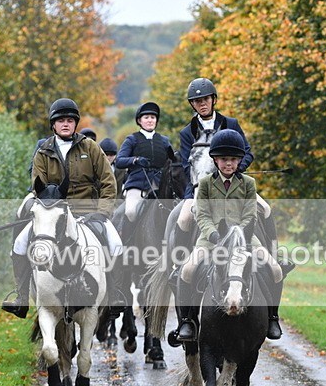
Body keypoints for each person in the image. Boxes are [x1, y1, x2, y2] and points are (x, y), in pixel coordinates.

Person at [1, 97, 123, 318]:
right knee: (20, 244)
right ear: (53, 125)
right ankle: (21, 297)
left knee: (115, 244)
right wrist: (49, 211)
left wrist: (103, 212)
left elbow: (108, 182)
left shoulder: (91, 147)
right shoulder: (43, 151)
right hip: (53, 212)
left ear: (75, 123)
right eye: (61, 121)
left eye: (69, 120)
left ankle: (115, 294)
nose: (65, 124)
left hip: (89, 211)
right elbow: (38, 185)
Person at [175, 129, 287, 342]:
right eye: (224, 159)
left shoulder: (248, 183)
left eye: (234, 160)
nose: (229, 164)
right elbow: (203, 215)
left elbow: (250, 213)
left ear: (239, 161)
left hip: (246, 239)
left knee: (275, 268)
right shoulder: (206, 183)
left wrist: (241, 235)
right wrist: (215, 235)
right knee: (187, 270)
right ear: (215, 160)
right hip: (211, 239)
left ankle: (273, 317)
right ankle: (187, 322)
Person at [177, 77, 281, 257]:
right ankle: (177, 264)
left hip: (235, 182)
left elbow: (247, 152)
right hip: (199, 186)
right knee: (184, 218)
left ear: (213, 100)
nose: (202, 104)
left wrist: (236, 168)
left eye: (206, 100)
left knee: (265, 209)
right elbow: (186, 164)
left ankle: (274, 255)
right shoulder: (187, 132)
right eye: (197, 101)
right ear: (192, 104)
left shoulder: (231, 124)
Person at [115, 102, 177, 242]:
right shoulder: (132, 139)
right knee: (131, 211)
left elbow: (174, 161)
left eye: (153, 118)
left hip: (159, 183)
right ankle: (127, 246)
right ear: (139, 121)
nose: (150, 120)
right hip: (137, 184)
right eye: (147, 117)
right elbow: (119, 161)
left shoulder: (164, 141)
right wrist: (135, 160)